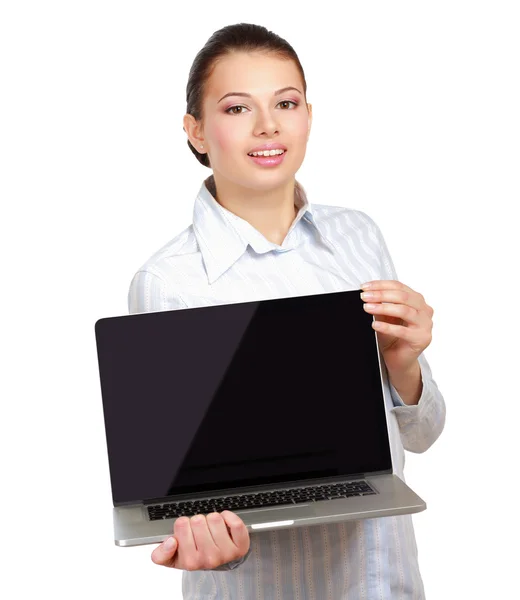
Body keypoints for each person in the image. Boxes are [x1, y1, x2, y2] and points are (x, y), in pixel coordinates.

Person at [128, 22, 446, 600]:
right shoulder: (170, 282)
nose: (268, 124)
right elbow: (182, 502)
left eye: (286, 102)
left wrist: (406, 365)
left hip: (391, 585)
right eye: (236, 108)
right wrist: (214, 546)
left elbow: (422, 434)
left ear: (307, 115)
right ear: (196, 131)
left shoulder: (358, 236)